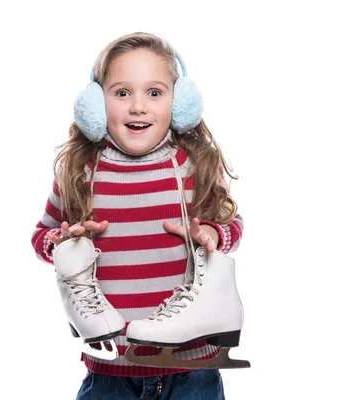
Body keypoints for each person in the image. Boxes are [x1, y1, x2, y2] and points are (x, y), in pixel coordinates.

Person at [31, 32, 244, 400]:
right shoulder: (82, 171)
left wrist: (212, 231)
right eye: (122, 93)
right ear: (96, 105)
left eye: (155, 93)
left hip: (191, 368)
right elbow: (41, 237)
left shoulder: (191, 167)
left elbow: (232, 227)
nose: (138, 107)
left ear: (180, 104)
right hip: (110, 372)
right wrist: (63, 242)